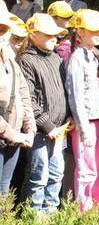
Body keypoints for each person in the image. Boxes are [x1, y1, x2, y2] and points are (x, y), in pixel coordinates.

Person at [18, 13, 70, 213]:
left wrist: (69, 115)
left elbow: (65, 91)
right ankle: (34, 215)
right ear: (33, 35)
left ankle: (51, 213)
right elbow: (28, 99)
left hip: (60, 129)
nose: (54, 38)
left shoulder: (56, 58)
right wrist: (47, 125)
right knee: (39, 176)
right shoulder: (26, 60)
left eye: (55, 35)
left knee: (56, 174)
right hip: (41, 132)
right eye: (48, 35)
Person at [65, 10, 99, 211]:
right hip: (86, 122)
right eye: (93, 30)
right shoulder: (77, 58)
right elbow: (75, 96)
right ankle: (83, 209)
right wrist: (83, 129)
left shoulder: (95, 56)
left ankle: (94, 202)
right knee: (86, 168)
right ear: (81, 31)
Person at [0, 11, 35, 196]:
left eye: (3, 30)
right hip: (9, 135)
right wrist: (12, 134)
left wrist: (30, 129)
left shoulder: (11, 63)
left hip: (13, 139)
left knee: (4, 190)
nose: (1, 35)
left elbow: (24, 96)